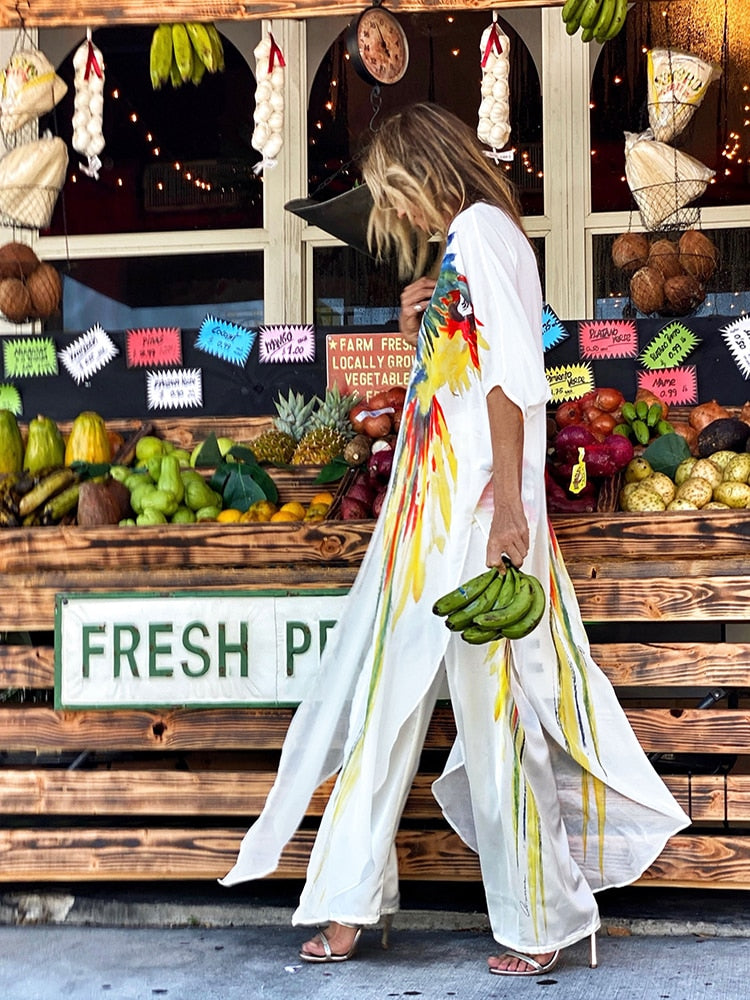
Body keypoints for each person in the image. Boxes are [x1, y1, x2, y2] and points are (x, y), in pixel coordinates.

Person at [221, 102, 689, 977]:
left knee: (489, 713)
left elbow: (514, 380)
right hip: (430, 517)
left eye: (392, 192)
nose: (393, 213)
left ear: (422, 169)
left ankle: (537, 919)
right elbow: (466, 374)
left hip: (471, 517)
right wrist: (422, 332)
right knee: (385, 703)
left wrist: (511, 509)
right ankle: (348, 904)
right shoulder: (477, 240)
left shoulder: (479, 228)